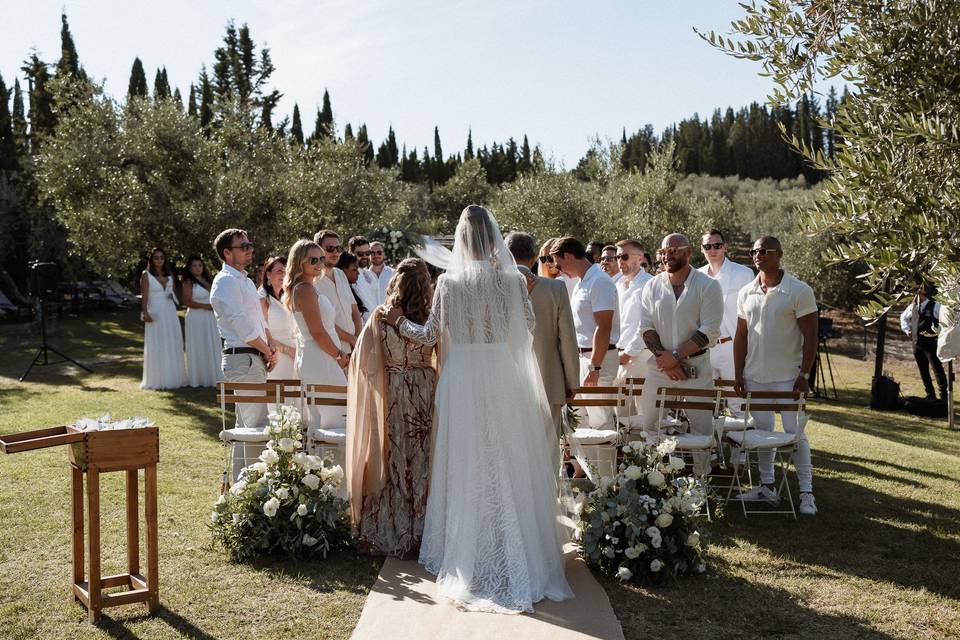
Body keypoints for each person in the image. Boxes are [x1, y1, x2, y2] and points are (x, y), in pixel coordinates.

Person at [384, 205, 573, 614]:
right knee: (507, 455)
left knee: (469, 460)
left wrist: (398, 320)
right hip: (501, 372)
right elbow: (526, 329)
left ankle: (472, 548)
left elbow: (429, 335)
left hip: (464, 376)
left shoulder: (450, 283)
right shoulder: (512, 282)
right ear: (494, 242)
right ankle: (516, 549)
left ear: (462, 241)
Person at [347, 257, 437, 560]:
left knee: (393, 454)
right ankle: (423, 529)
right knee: (424, 457)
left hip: (393, 391)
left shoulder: (380, 316)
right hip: (426, 390)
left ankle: (393, 525)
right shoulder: (431, 316)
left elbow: (363, 364)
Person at [734, 235, 819, 515]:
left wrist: (804, 374)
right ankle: (767, 486)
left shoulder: (799, 290)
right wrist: (738, 374)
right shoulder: (746, 292)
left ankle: (806, 493)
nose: (758, 255)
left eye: (764, 251)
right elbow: (741, 336)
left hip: (789, 377)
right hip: (755, 376)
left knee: (796, 435)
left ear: (779, 254)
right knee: (762, 433)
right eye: (754, 251)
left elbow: (811, 335)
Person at [637, 233, 723, 476]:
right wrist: (667, 360)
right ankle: (651, 481)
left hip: (697, 369)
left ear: (689, 252)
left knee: (702, 428)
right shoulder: (652, 286)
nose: (668, 255)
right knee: (650, 426)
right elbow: (645, 328)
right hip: (660, 368)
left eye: (674, 250)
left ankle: (701, 481)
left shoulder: (708, 286)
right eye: (664, 251)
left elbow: (709, 330)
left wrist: (675, 356)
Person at [506, 232, 580, 436]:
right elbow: (567, 339)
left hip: (506, 382)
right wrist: (572, 382)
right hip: (549, 379)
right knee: (549, 451)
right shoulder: (555, 288)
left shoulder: (495, 289)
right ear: (532, 258)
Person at [210, 229, 276, 431]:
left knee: (246, 426)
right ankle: (253, 464)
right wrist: (267, 351)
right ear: (227, 253)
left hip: (252, 357)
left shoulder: (245, 281)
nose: (250, 249)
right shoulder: (225, 281)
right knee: (256, 426)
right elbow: (242, 326)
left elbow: (258, 319)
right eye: (243, 246)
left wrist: (270, 346)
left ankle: (241, 465)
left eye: (250, 245)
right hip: (243, 358)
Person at [552, 236, 621, 428]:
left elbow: (604, 326)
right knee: (580, 419)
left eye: (559, 264)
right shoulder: (582, 281)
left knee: (600, 419)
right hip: (584, 357)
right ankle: (588, 460)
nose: (559, 270)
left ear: (568, 256)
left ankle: (606, 459)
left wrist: (594, 367)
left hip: (599, 358)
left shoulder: (599, 281)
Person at [285, 240, 351, 429]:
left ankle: (329, 458)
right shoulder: (304, 290)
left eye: (321, 259)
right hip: (321, 357)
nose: (319, 264)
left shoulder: (308, 288)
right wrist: (339, 355)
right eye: (313, 260)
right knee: (336, 416)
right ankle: (329, 457)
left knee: (331, 415)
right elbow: (317, 332)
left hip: (320, 354)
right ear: (299, 263)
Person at [698, 229, 755, 411]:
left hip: (731, 347)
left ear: (725, 247)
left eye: (717, 245)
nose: (712, 249)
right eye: (708, 246)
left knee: (737, 403)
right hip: (702, 348)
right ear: (702, 249)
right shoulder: (696, 276)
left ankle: (741, 438)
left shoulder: (743, 273)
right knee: (702, 403)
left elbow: (751, 313)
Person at [614, 240, 653, 413]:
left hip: (642, 357)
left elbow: (647, 325)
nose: (620, 261)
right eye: (617, 257)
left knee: (644, 414)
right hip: (619, 356)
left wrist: (628, 352)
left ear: (640, 258)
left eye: (624, 256)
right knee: (620, 415)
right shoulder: (618, 285)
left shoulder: (650, 284)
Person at [140, 247, 187, 390]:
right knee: (158, 341)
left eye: (161, 257)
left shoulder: (170, 275)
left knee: (171, 340)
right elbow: (145, 296)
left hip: (169, 311)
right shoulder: (146, 275)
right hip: (155, 310)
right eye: (156, 257)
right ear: (151, 260)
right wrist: (145, 312)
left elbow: (174, 295)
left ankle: (173, 377)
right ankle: (158, 378)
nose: (159, 260)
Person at [313, 230, 362, 357]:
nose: (335, 252)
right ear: (318, 250)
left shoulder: (340, 274)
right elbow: (322, 321)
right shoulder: (312, 281)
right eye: (330, 248)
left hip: (353, 348)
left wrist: (358, 337)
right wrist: (351, 339)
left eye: (338, 248)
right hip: (330, 350)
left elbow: (355, 311)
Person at [900, 284, 947, 400]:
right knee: (923, 371)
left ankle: (944, 396)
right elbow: (903, 317)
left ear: (921, 294)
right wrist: (907, 330)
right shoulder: (912, 307)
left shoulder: (935, 306)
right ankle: (930, 395)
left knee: (937, 369)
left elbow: (945, 320)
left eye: (914, 295)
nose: (912, 298)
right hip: (917, 344)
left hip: (932, 344)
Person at [181, 255, 221, 388]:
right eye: (194, 266)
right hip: (196, 317)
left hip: (209, 318)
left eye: (200, 265)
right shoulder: (188, 282)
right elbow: (186, 301)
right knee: (198, 345)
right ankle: (199, 377)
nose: (197, 268)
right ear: (190, 268)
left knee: (210, 343)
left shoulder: (208, 280)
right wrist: (205, 306)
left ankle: (213, 375)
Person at [258, 256, 297, 382]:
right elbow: (262, 330)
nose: (284, 274)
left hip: (295, 355)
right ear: (268, 275)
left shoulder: (287, 297)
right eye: (280, 271)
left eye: (286, 271)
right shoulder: (262, 297)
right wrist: (287, 350)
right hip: (277, 357)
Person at [349, 236, 379, 322]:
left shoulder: (369, 273)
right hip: (363, 326)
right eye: (360, 254)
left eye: (368, 253)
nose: (365, 256)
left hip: (376, 324)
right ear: (351, 253)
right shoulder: (349, 275)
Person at [337, 251, 371, 323]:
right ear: (342, 270)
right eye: (354, 269)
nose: (358, 273)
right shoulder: (337, 291)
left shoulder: (352, 289)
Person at [368, 241, 396, 306]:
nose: (376, 255)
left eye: (379, 252)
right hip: (371, 315)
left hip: (389, 314)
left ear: (384, 254)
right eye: (372, 253)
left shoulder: (393, 273)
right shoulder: (364, 276)